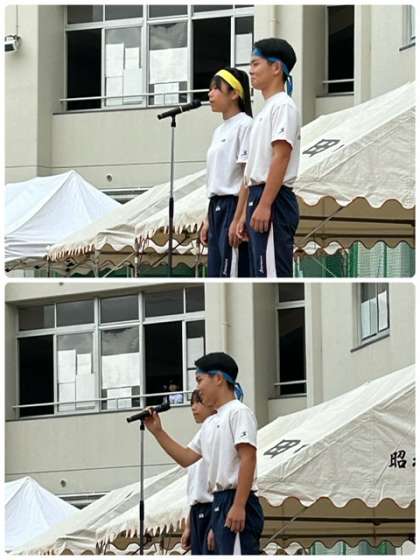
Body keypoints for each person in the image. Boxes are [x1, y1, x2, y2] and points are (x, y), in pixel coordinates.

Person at [144, 352, 263, 555]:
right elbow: (185, 458)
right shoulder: (210, 423)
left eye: (200, 380)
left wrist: (238, 505)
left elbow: (248, 458)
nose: (198, 388)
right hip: (218, 500)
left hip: (235, 497)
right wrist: (158, 431)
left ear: (218, 378)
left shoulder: (238, 412)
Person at [237, 38, 301, 278]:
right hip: (259, 195)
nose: (250, 70)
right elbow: (252, 169)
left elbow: (281, 156)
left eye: (255, 64)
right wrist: (244, 214)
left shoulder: (283, 106)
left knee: (271, 275)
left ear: (276, 67)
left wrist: (264, 205)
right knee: (261, 274)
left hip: (273, 198)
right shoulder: (265, 110)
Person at [200, 67, 253, 278]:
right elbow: (216, 178)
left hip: (233, 205)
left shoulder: (245, 125)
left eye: (216, 89)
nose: (210, 94)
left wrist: (238, 218)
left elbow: (247, 176)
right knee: (215, 274)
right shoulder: (218, 131)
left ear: (234, 94)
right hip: (215, 207)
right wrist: (207, 219)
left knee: (231, 273)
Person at [180, 390, 216, 555]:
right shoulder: (199, 437)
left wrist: (216, 525)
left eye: (198, 402)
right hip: (196, 510)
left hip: (214, 508)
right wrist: (189, 525)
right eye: (191, 403)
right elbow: (194, 489)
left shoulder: (218, 433)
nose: (193, 408)